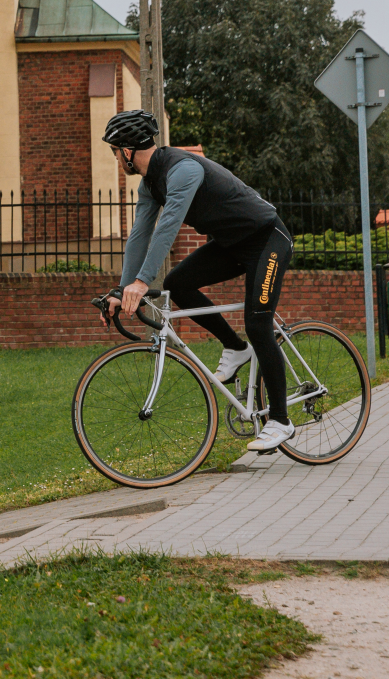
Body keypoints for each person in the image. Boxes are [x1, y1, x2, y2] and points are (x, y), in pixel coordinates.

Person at [102, 108, 295, 453]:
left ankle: (280, 420)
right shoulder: (150, 185)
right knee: (179, 283)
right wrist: (121, 288)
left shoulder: (184, 169)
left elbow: (168, 226)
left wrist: (143, 282)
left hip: (267, 239)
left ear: (128, 150)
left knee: (258, 322)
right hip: (233, 245)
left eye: (116, 151)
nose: (117, 158)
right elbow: (139, 236)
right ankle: (236, 350)